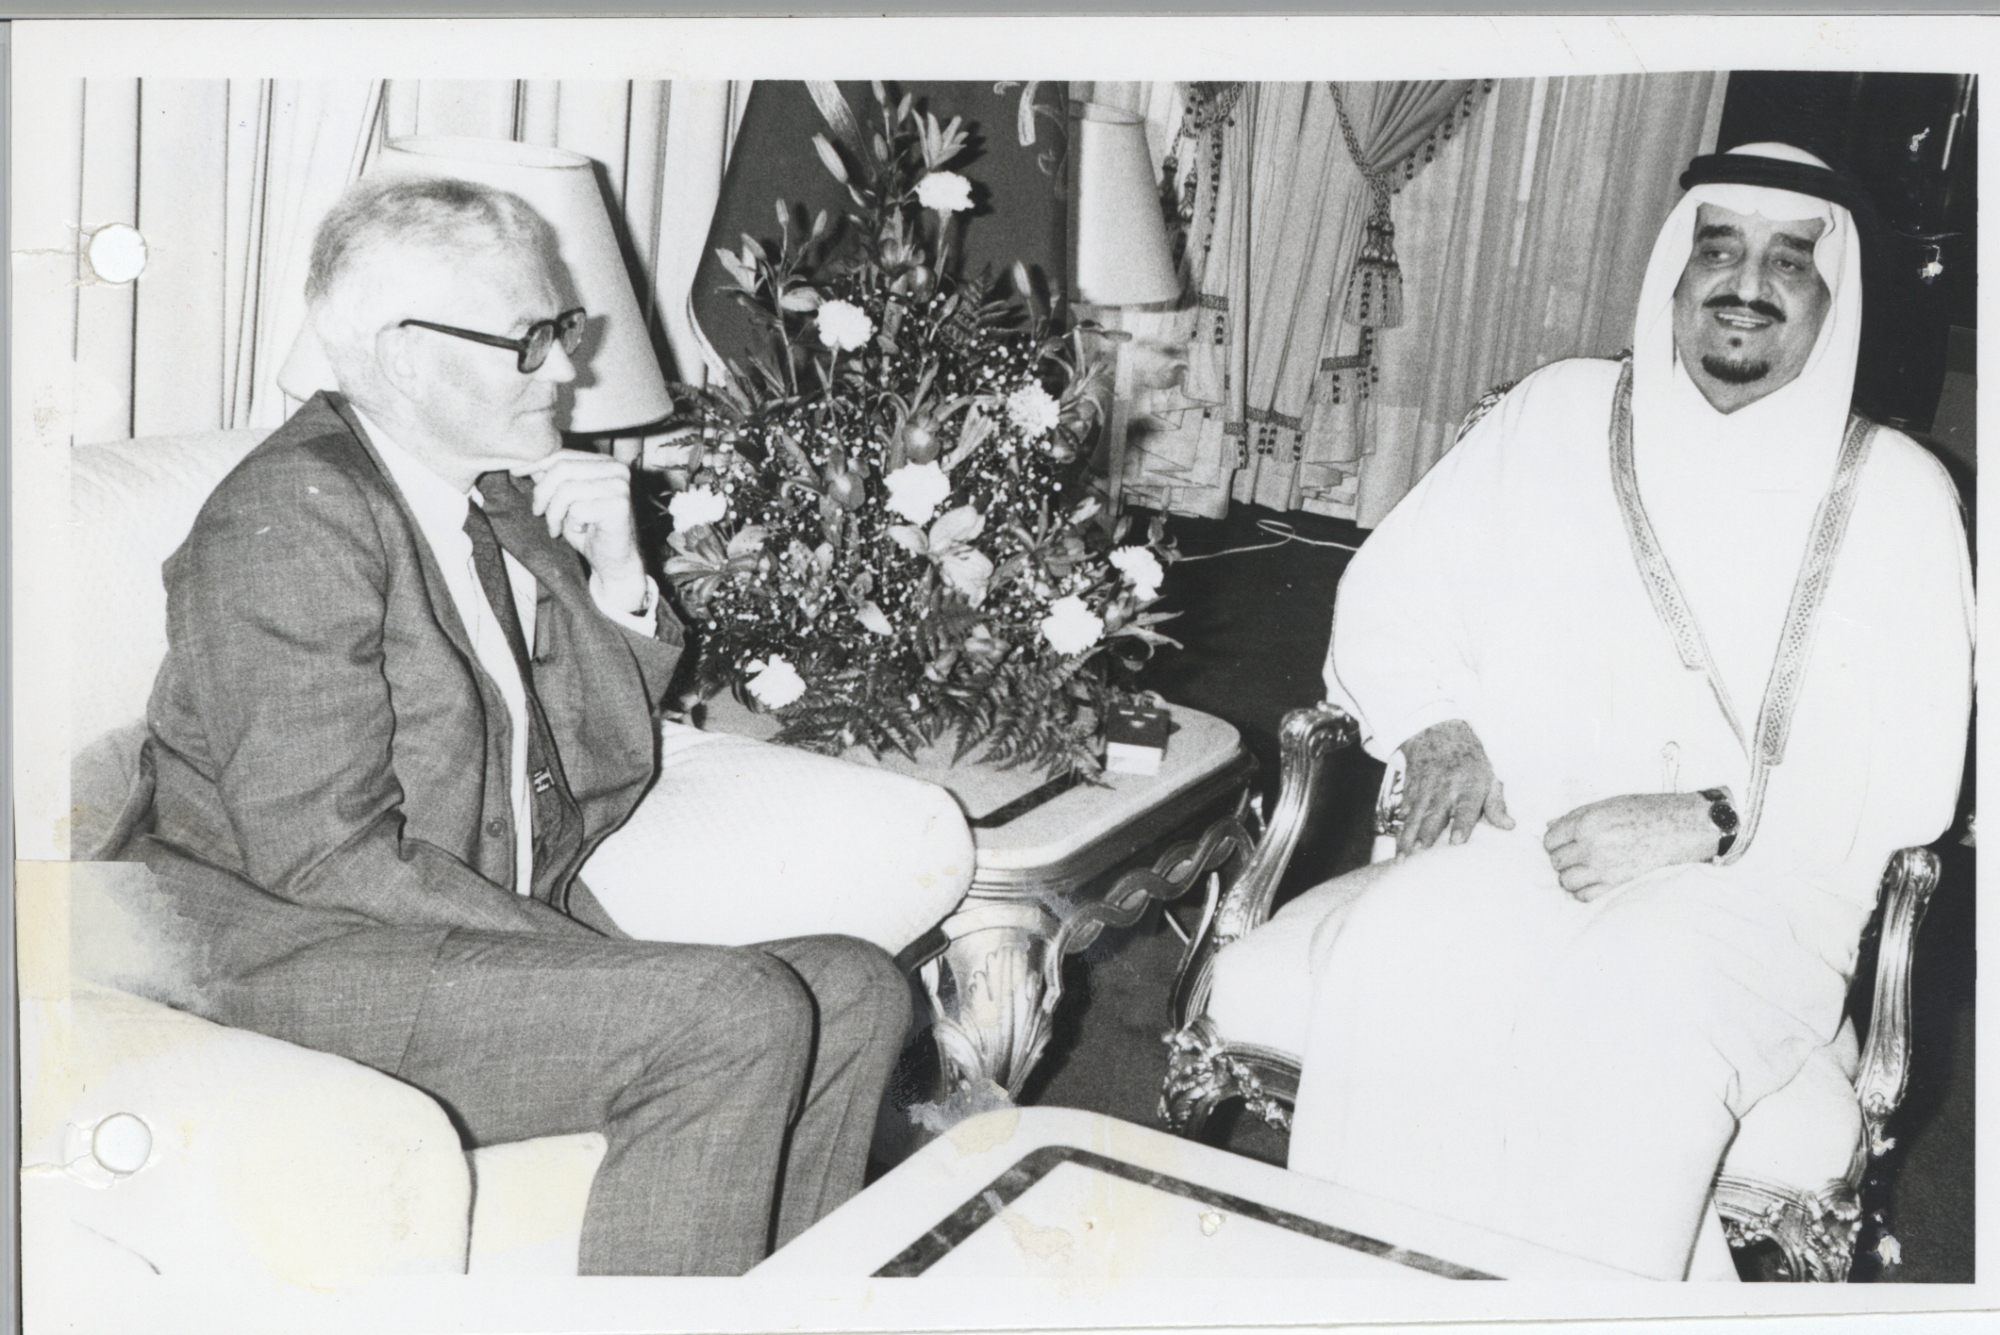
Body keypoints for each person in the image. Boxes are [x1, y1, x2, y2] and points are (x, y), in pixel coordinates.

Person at [110, 175, 912, 1276]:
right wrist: (579, 960)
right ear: (400, 355)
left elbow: (601, 778)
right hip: (288, 960)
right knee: (731, 1013)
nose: (566, 367)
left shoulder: (498, 499)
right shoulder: (286, 519)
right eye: (528, 338)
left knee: (855, 989)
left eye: (563, 329)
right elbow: (321, 851)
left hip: (439, 941)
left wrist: (621, 577)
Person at [1223, 144, 1973, 1278]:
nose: (1743, 284)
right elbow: (1392, 590)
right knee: (1398, 960)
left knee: (1627, 1020)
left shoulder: (1898, 495)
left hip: (1755, 894)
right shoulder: (1557, 413)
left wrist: (1716, 818)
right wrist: (1432, 723)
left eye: (1787, 261)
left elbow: (1916, 764)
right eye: (1715, 248)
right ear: (1673, 270)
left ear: (1832, 299)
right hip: (1514, 833)